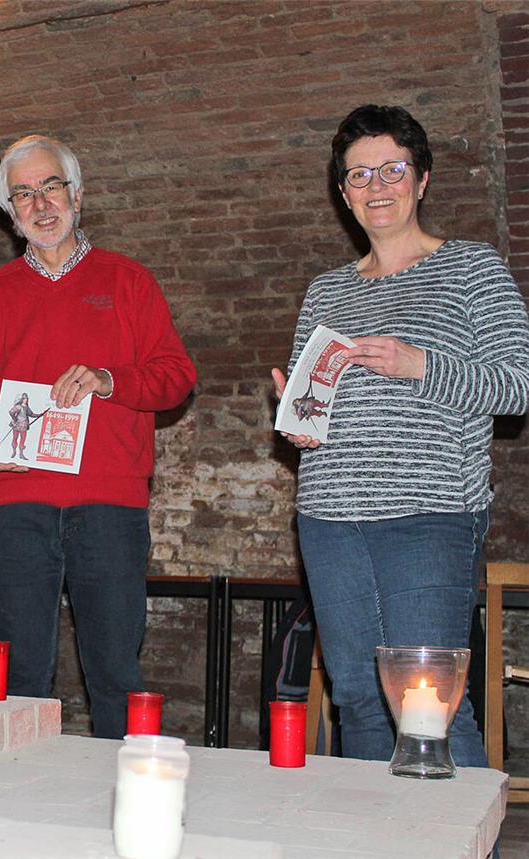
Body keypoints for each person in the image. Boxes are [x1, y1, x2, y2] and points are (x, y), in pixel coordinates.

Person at [273, 105, 529, 766]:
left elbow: (515, 386)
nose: (377, 184)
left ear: (421, 180)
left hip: (431, 515)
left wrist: (420, 364)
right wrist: (299, 418)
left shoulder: (473, 270)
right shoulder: (325, 291)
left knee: (430, 704)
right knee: (356, 697)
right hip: (329, 518)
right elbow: (315, 410)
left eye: (393, 168)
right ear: (343, 192)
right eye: (360, 174)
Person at [0, 134, 196, 739]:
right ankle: (17, 805)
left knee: (113, 669)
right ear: (10, 213)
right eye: (23, 194)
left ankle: (124, 804)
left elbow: (176, 376)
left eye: (51, 186)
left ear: (77, 196)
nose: (40, 204)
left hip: (109, 503)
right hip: (16, 501)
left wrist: (110, 380)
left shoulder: (129, 281)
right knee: (21, 673)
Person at [8, 393, 44, 459]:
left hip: (24, 425)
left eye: (26, 398)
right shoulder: (18, 406)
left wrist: (39, 415)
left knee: (23, 439)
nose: (26, 400)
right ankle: (14, 452)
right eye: (24, 398)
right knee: (15, 438)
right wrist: (15, 418)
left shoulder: (26, 407)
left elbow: (31, 414)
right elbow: (11, 412)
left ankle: (21, 454)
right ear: (21, 399)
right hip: (17, 424)